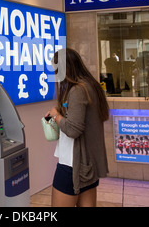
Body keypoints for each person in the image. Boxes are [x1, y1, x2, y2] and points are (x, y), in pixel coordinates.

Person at [46, 48, 109, 207]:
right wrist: (65, 112)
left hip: (72, 165)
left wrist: (56, 115)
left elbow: (73, 130)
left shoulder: (77, 90)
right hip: (89, 165)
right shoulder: (91, 86)